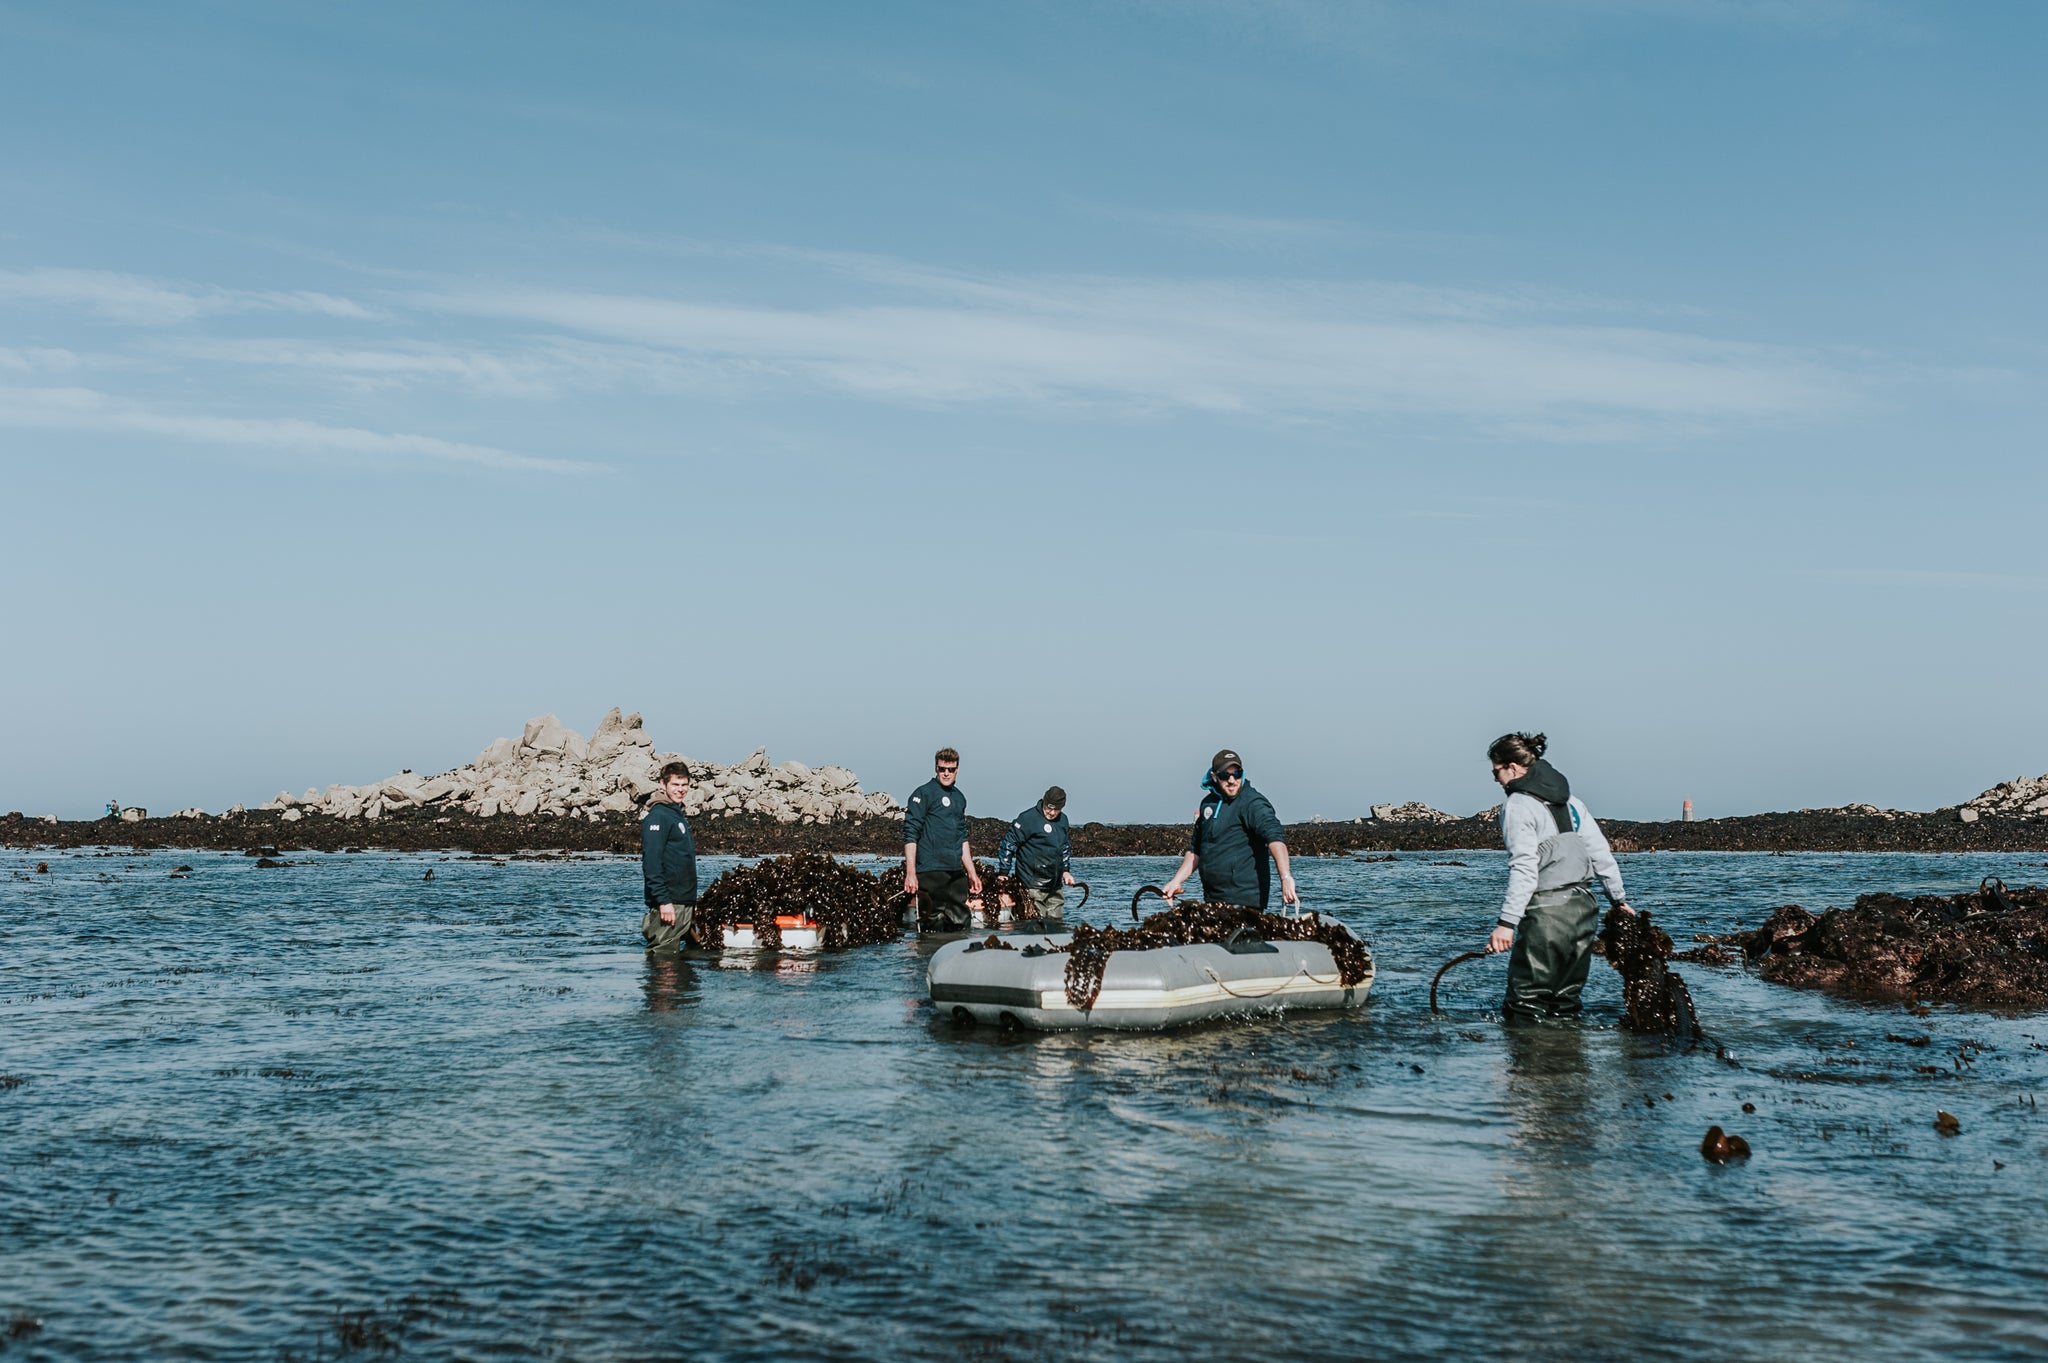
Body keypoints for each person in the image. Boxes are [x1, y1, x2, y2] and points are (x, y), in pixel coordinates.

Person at [1483, 732, 1633, 1022]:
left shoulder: (1518, 805)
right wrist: (1619, 900)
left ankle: (1526, 1066)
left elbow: (1525, 869)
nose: (1495, 780)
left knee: (1526, 1004)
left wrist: (1506, 923)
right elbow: (1602, 855)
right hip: (1584, 911)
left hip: (1547, 915)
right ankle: (1568, 1063)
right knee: (1565, 1000)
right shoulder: (1573, 803)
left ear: (1512, 768)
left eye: (1495, 772)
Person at [1160, 749, 1298, 910]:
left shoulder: (1253, 803)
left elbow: (1275, 838)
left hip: (1245, 900)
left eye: (1237, 774)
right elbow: (1196, 849)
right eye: (1225, 775)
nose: (1232, 780)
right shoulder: (1208, 804)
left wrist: (1285, 877)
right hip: (1213, 899)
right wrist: (1177, 880)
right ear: (1214, 776)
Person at [903, 747, 981, 931]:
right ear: (936, 768)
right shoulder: (923, 793)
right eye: (942, 769)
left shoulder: (959, 798)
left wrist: (971, 872)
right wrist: (910, 873)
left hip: (955, 872)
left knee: (961, 924)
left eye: (951, 769)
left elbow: (962, 837)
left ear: (957, 770)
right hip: (930, 870)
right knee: (931, 925)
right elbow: (910, 834)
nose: (946, 773)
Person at [640, 761, 699, 953]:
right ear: (662, 784)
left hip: (684, 902)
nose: (680, 790)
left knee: (682, 970)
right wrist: (664, 901)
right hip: (669, 904)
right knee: (662, 961)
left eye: (684, 785)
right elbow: (652, 863)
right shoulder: (658, 816)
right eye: (675, 785)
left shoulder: (677, 814)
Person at [996, 786, 1077, 924]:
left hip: (1055, 886)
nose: (1051, 812)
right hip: (1032, 884)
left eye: (1055, 809)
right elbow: (1008, 844)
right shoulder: (1028, 818)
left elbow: (1064, 847)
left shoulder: (1063, 820)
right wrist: (1004, 871)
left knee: (1057, 925)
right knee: (1035, 925)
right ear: (1043, 801)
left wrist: (1066, 871)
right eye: (1048, 807)